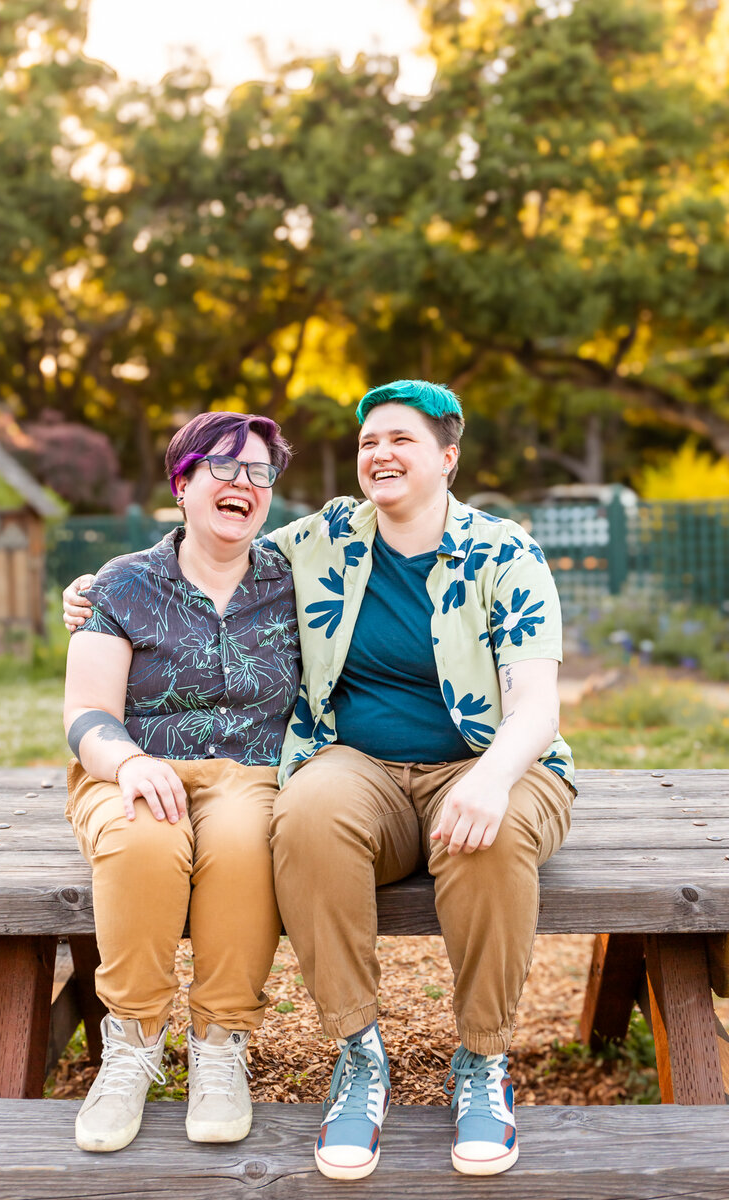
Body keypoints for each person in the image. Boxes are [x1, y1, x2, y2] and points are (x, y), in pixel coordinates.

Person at [64, 379, 575, 1180]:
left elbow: (537, 707)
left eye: (402, 439)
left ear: (447, 456)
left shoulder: (504, 552)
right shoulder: (329, 537)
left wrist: (490, 778)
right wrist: (96, 592)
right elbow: (208, 551)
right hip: (361, 765)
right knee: (304, 812)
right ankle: (359, 1055)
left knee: (493, 830)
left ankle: (482, 1060)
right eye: (370, 442)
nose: (381, 454)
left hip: (491, 761)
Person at [62, 410, 299, 1153]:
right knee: (142, 838)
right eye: (222, 467)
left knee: (241, 842)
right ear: (183, 483)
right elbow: (88, 712)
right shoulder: (124, 584)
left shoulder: (296, 581)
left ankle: (220, 1047)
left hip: (250, 774)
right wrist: (129, 762)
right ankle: (130, 1046)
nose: (243, 483)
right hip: (132, 764)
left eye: (259, 471)